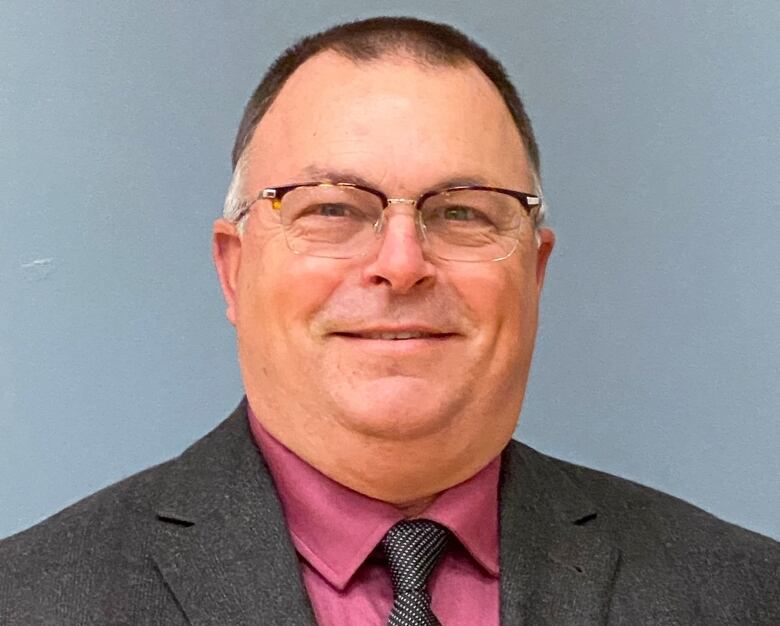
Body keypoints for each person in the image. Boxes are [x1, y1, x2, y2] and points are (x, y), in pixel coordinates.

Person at [1, 16, 778, 626]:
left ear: (534, 273)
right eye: (332, 208)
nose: (401, 263)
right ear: (234, 269)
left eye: (465, 212)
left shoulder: (747, 596)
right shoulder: (29, 601)